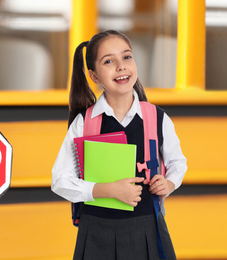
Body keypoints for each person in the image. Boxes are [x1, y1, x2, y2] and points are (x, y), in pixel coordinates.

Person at [51, 30, 187, 260]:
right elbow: (59, 180)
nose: (121, 66)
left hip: (147, 230)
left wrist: (170, 183)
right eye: (109, 61)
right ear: (94, 76)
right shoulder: (84, 123)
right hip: (97, 233)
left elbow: (178, 162)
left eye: (127, 57)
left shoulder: (157, 118)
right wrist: (107, 190)